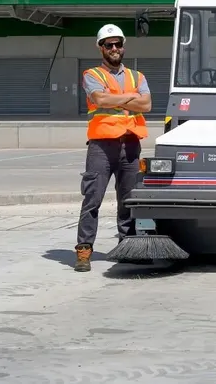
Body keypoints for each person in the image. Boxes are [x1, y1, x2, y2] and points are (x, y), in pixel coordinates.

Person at [73, 24, 152, 272]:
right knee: (92, 199)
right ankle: (84, 251)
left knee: (128, 201)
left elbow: (147, 105)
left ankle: (127, 248)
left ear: (123, 46)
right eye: (109, 45)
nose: (114, 48)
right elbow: (100, 100)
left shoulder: (137, 76)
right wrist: (131, 98)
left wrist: (118, 98)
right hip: (102, 146)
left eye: (118, 44)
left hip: (130, 145)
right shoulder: (92, 75)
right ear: (101, 48)